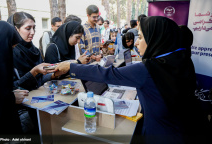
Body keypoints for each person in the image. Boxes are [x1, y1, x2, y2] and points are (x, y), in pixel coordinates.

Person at [55, 16, 209, 144]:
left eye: (141, 37)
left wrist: (72, 67)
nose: (136, 42)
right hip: (186, 129)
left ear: (155, 39)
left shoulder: (149, 68)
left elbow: (107, 74)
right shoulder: (181, 60)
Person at [7, 12, 62, 91]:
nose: (33, 32)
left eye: (34, 28)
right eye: (28, 28)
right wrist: (34, 71)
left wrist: (54, 74)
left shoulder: (35, 50)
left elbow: (39, 80)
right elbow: (13, 87)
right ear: (16, 29)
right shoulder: (10, 53)